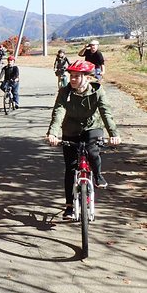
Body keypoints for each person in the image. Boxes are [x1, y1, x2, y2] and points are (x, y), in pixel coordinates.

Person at [46, 60, 121, 220]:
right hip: (70, 129)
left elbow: (105, 112)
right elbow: (58, 112)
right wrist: (53, 133)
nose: (73, 79)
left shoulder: (97, 91)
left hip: (92, 127)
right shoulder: (64, 91)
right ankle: (69, 207)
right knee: (71, 168)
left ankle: (98, 175)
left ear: (87, 77)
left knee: (93, 151)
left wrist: (113, 134)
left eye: (77, 76)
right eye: (71, 76)